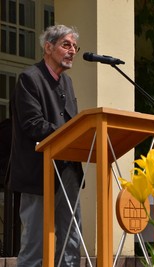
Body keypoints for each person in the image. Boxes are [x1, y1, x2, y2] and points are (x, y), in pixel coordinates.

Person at [9, 25, 83, 267]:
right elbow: (33, 124)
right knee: (35, 245)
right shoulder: (30, 78)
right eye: (66, 45)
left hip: (68, 170)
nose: (72, 51)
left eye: (74, 46)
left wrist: (80, 135)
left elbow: (72, 120)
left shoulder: (68, 83)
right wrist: (72, 134)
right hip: (39, 172)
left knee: (71, 242)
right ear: (48, 47)